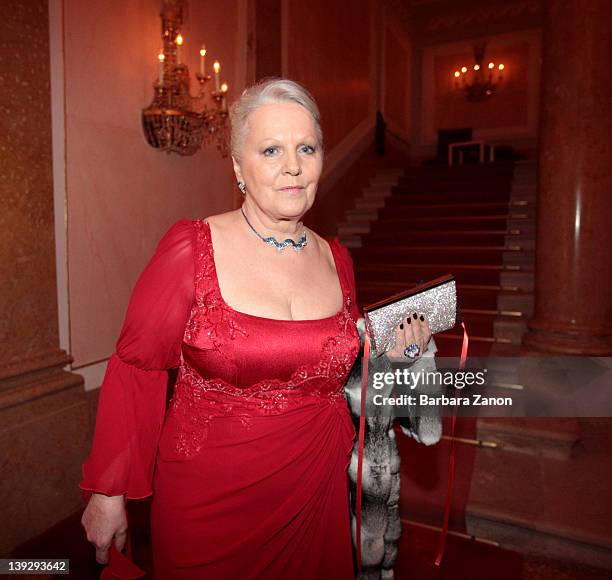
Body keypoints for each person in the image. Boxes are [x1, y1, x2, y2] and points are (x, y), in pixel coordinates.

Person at [80, 78, 432, 579]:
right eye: (271, 149)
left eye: (306, 148)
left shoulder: (337, 260)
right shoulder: (192, 248)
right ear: (238, 166)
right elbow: (136, 369)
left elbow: (342, 371)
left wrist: (398, 353)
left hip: (316, 490)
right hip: (209, 505)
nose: (292, 165)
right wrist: (109, 492)